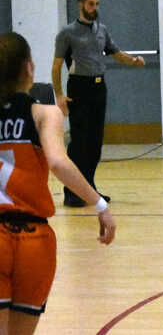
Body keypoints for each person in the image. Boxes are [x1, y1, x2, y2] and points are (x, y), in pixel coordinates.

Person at [0, 32, 116, 335]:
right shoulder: (44, 113)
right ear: (29, 68)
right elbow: (59, 163)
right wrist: (99, 204)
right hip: (33, 239)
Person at [52, 0, 145, 207]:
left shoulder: (101, 29)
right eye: (91, 4)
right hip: (79, 88)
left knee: (95, 143)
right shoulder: (67, 33)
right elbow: (56, 66)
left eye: (97, 4)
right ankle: (71, 192)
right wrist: (59, 95)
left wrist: (133, 61)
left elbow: (116, 52)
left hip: (98, 88)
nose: (95, 8)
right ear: (81, 4)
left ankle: (90, 189)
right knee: (79, 143)